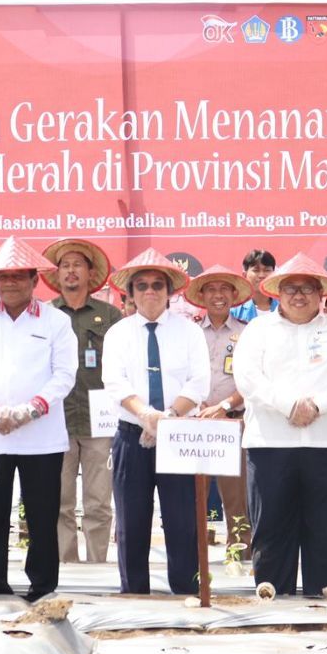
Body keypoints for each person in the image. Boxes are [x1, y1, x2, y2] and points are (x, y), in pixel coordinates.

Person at [235, 253, 327, 597]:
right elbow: (247, 377)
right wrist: (288, 405)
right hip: (270, 445)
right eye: (291, 288)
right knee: (271, 527)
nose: (299, 296)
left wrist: (318, 405)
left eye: (307, 289)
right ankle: (271, 603)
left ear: (320, 293)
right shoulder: (258, 329)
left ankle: (325, 605)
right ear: (278, 292)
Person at [0, 237, 76, 601]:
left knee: (42, 515)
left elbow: (65, 375)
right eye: (3, 277)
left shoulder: (56, 321)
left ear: (33, 280)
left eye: (18, 277)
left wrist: (31, 409)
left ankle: (42, 584)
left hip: (41, 434)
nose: (10, 284)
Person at [103, 249, 211, 594]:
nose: (150, 292)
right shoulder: (118, 333)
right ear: (131, 293)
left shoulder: (189, 332)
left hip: (178, 434)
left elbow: (199, 382)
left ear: (169, 292)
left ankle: (186, 588)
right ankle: (134, 590)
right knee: (131, 519)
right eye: (142, 286)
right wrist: (145, 415)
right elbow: (114, 382)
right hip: (131, 433)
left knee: (183, 518)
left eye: (158, 285)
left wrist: (169, 417)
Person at [43, 238, 121, 564]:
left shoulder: (111, 315)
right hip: (54, 421)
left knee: (98, 501)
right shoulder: (45, 315)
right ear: (57, 274)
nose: (71, 271)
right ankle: (66, 566)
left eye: (78, 265)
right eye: (65, 265)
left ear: (90, 273)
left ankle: (99, 566)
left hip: (98, 421)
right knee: (58, 500)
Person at [187, 265, 256, 553]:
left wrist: (225, 406)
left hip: (233, 421)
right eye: (211, 290)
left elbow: (252, 378)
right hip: (192, 422)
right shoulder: (188, 332)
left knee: (236, 492)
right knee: (192, 492)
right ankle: (191, 551)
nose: (218, 295)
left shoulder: (247, 332)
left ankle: (239, 549)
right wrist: (194, 402)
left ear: (234, 295)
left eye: (224, 289)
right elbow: (180, 374)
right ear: (201, 296)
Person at [230, 249, 278, 323]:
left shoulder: (284, 309)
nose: (262, 275)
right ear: (244, 275)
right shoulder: (234, 311)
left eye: (267, 270)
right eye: (256, 270)